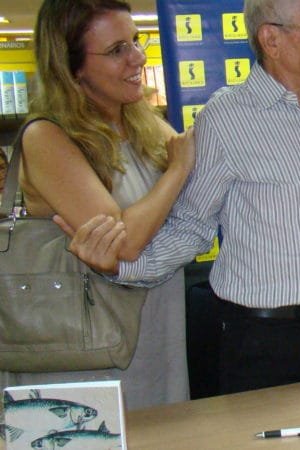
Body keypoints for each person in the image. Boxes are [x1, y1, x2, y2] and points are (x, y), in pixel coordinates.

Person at [62, 0, 300, 395]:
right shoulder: (226, 119)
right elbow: (191, 226)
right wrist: (118, 266)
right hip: (269, 342)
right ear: (271, 39)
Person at [0, 0, 195, 410]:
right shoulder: (48, 137)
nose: (138, 58)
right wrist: (177, 170)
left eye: (136, 42)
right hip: (79, 359)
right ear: (72, 68)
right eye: (116, 50)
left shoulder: (142, 124)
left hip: (154, 337)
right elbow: (123, 244)